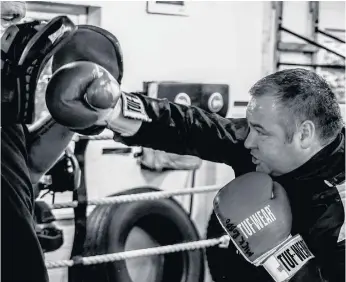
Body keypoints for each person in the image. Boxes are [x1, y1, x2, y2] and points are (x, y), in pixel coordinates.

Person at [46, 53, 345, 281]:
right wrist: (116, 109)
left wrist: (283, 255)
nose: (248, 141)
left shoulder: (340, 206)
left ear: (304, 134)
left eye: (261, 131)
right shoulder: (261, 148)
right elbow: (193, 128)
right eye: (250, 127)